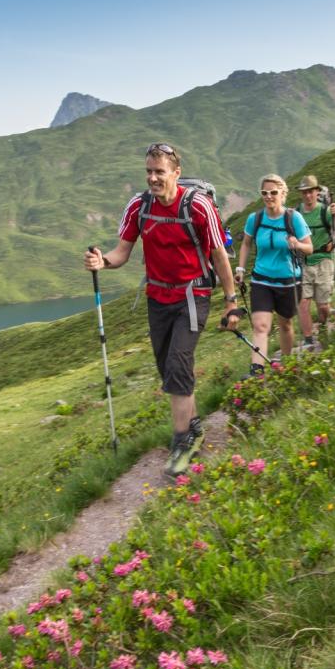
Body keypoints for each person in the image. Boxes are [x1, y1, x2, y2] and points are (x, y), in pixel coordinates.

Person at [84, 143, 241, 477]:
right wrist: (102, 262)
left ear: (176, 173)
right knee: (168, 370)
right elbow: (122, 253)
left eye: (160, 172)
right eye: (149, 172)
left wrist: (231, 302)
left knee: (177, 363)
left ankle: (182, 440)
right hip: (158, 298)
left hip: (192, 295)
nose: (153, 178)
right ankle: (194, 426)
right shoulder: (139, 206)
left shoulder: (197, 207)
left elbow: (219, 256)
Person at [233, 174, 313, 377]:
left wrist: (297, 244)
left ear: (283, 194)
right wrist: (240, 269)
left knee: (285, 325)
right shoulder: (255, 219)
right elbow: (246, 243)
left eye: (273, 193)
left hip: (288, 281)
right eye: (264, 193)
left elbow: (309, 248)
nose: (268, 197)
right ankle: (256, 372)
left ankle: (286, 367)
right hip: (261, 280)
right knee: (261, 326)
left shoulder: (293, 218)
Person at [294, 174, 335, 349]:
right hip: (304, 263)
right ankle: (309, 341)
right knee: (303, 303)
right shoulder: (297, 213)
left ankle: (324, 325)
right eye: (304, 192)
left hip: (324, 261)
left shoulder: (325, 211)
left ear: (317, 192)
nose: (308, 195)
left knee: (323, 306)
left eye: (311, 191)